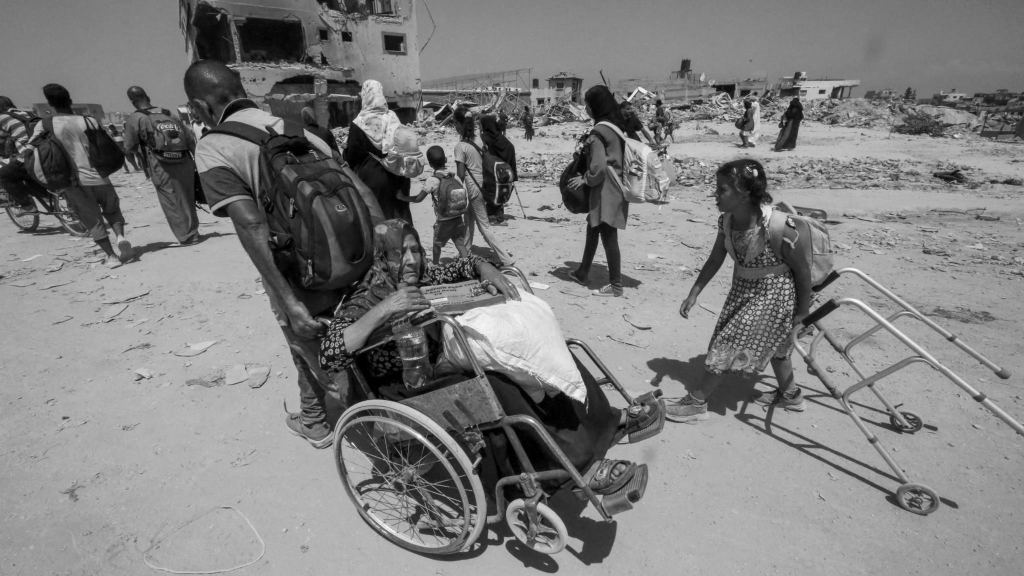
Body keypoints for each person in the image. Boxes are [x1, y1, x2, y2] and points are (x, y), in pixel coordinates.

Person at [318, 219, 657, 496]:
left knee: (537, 352)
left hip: (438, 365)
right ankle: (575, 471)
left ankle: (609, 421)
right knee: (496, 383)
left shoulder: (421, 277)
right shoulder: (365, 297)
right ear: (381, 258)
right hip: (405, 387)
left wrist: (485, 268)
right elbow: (330, 354)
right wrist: (387, 308)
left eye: (414, 249)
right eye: (398, 253)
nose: (410, 260)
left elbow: (459, 265)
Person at [186, 59, 385, 449]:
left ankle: (394, 440)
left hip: (298, 274)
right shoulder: (304, 132)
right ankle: (313, 419)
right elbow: (362, 193)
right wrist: (383, 257)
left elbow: (251, 226)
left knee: (323, 353)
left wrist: (289, 300)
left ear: (200, 107)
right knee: (334, 341)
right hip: (356, 258)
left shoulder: (213, 147)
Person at [666, 159, 811, 423]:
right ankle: (791, 396)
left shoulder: (778, 227)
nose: (716, 195)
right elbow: (715, 259)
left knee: (728, 342)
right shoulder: (727, 222)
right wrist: (694, 292)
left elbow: (802, 271)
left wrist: (802, 313)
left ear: (744, 194)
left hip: (774, 295)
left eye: (722, 190)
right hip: (743, 290)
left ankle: (697, 402)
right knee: (777, 347)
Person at [28, 85, 132, 268]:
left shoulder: (45, 125)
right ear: (70, 101)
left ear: (50, 104)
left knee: (92, 219)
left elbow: (31, 150)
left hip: (74, 182)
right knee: (113, 210)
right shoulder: (89, 121)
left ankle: (111, 256)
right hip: (100, 176)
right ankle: (121, 236)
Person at [566, 86, 629, 297]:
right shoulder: (615, 126)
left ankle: (616, 286)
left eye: (587, 104)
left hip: (605, 190)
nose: (585, 108)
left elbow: (599, 168)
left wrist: (584, 179)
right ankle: (583, 272)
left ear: (595, 106)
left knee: (608, 235)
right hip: (617, 186)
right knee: (593, 228)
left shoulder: (597, 133)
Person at [124, 86, 200, 246]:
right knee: (187, 196)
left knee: (171, 200)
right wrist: (197, 161)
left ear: (132, 102)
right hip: (185, 160)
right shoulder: (168, 113)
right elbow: (190, 138)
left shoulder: (136, 118)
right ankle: (194, 231)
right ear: (148, 96)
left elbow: (129, 146)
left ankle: (187, 236)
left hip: (160, 165)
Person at [344, 80, 414, 224]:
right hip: (399, 176)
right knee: (400, 219)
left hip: (373, 178)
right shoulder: (393, 117)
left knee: (379, 221)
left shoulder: (359, 123)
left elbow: (352, 157)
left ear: (366, 95)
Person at [452, 107, 514, 265]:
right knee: (469, 220)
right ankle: (465, 252)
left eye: (454, 123)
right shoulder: (479, 139)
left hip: (473, 188)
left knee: (484, 226)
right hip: (484, 184)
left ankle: (506, 260)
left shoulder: (460, 147)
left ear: (459, 124)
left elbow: (460, 174)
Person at [0, 96, 48, 215]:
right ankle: (45, 194)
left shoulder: (3, 118)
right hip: (47, 153)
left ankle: (27, 207)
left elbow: (1, 139)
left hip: (30, 156)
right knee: (23, 170)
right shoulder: (29, 113)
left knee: (4, 174)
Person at [422, 146, 469, 264]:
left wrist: (403, 197)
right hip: (457, 216)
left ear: (430, 164)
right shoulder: (454, 177)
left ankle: (436, 265)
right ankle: (467, 264)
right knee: (460, 243)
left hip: (443, 219)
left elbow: (418, 199)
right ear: (446, 160)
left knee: (437, 244)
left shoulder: (432, 180)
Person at [479, 114, 517, 225]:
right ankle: (496, 216)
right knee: (500, 193)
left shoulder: (485, 137)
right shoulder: (500, 137)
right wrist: (510, 168)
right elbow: (510, 148)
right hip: (503, 172)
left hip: (490, 171)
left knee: (490, 192)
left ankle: (494, 217)